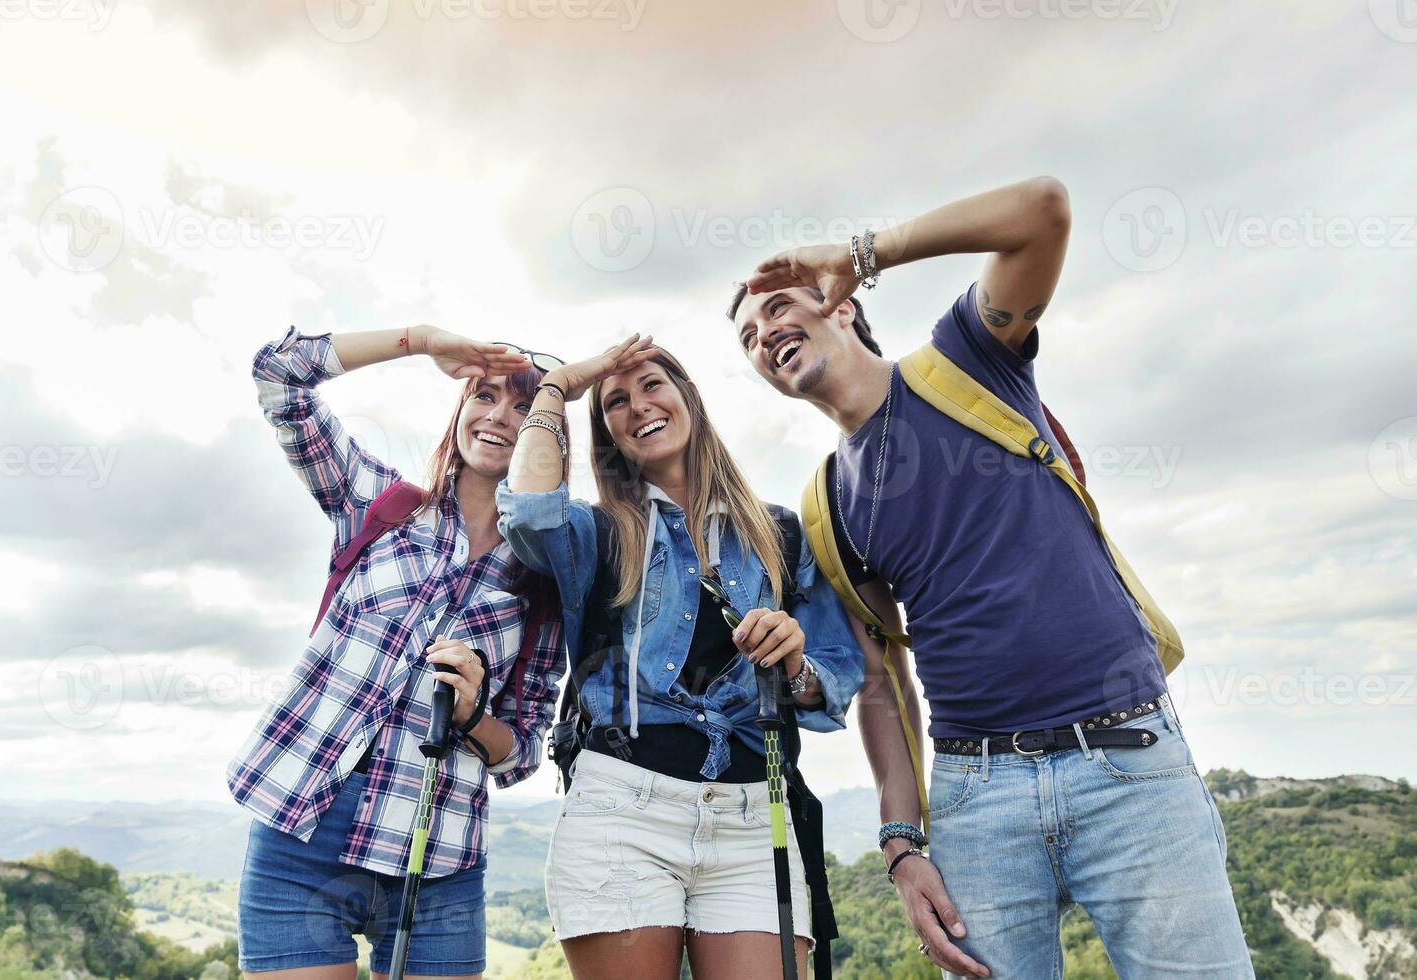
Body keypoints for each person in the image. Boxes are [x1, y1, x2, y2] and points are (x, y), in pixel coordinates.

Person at [728, 178, 1254, 979]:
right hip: (977, 797)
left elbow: (1042, 210)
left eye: (776, 307)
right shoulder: (826, 502)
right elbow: (881, 677)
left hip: (1129, 764)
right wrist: (902, 844)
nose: (763, 333)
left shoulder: (967, 359)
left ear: (838, 305)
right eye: (746, 336)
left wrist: (862, 253)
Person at [495, 334, 865, 980]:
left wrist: (795, 666)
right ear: (607, 432)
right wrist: (555, 390)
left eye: (652, 386)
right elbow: (527, 513)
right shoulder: (598, 532)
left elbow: (836, 671)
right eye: (616, 401)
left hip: (755, 814)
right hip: (622, 812)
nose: (639, 406)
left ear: (688, 396)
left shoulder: (780, 531)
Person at [226, 323, 567, 980]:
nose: (500, 416)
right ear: (460, 409)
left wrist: (471, 715)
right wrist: (421, 341)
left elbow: (521, 752)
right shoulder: (375, 504)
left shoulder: (545, 580)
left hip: (437, 860)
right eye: (486, 396)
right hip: (303, 826)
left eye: (526, 408)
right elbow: (279, 374)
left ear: (550, 438)